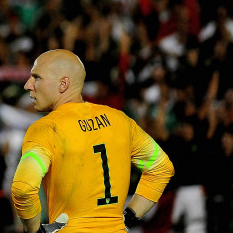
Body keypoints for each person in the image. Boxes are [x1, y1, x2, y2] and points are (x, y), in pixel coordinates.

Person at [11, 49, 175, 232]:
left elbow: (23, 188)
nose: (27, 85)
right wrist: (129, 216)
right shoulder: (120, 120)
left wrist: (34, 231)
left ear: (63, 84)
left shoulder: (46, 129)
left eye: (37, 77)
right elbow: (161, 167)